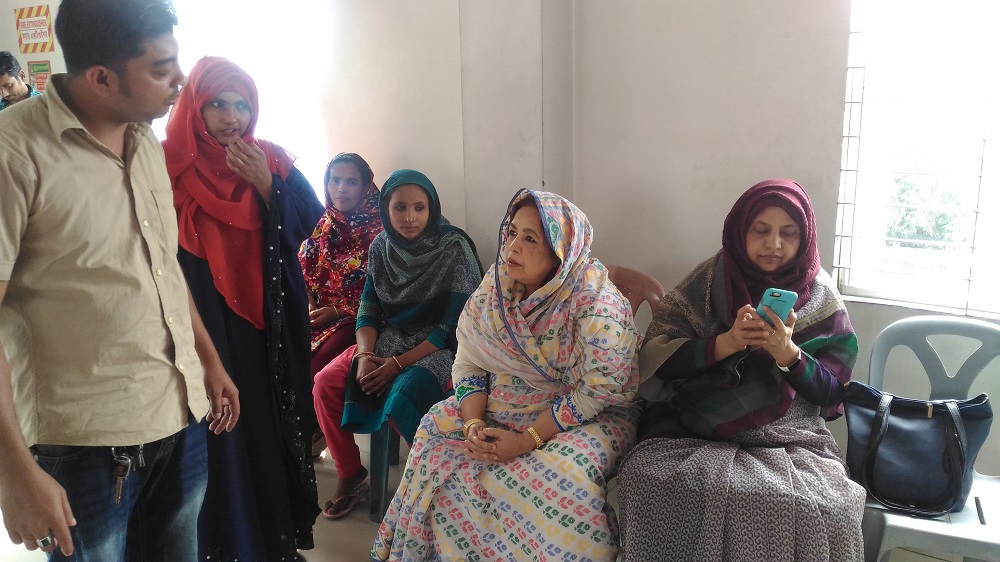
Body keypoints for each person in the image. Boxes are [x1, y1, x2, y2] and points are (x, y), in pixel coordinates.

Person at [0, 1, 240, 560]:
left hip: (178, 415)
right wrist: (12, 470)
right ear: (102, 78)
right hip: (83, 443)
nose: (181, 81)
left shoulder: (144, 139)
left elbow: (161, 265)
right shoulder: (15, 153)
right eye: (160, 68)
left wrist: (208, 361)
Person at [372, 189, 641, 561]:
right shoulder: (497, 286)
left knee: (558, 476)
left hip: (587, 415)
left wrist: (527, 440)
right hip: (506, 400)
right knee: (436, 434)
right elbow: (469, 361)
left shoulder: (595, 302)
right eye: (512, 232)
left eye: (530, 239)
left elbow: (598, 391)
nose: (512, 247)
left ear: (560, 252)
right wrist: (473, 424)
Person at [616, 179, 866, 561]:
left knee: (829, 506)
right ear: (739, 231)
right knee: (645, 479)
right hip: (692, 424)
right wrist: (726, 343)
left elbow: (832, 392)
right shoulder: (705, 282)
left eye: (788, 233)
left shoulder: (820, 296)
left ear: (805, 238)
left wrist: (788, 354)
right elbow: (657, 361)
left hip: (789, 433)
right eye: (760, 230)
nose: (773, 244)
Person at [161, 56, 324, 561]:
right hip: (201, 322)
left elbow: (314, 223)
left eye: (241, 105)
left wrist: (267, 188)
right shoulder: (166, 165)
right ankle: (226, 544)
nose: (232, 117)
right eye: (217, 104)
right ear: (195, 107)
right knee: (215, 429)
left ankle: (273, 540)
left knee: (264, 423)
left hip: (266, 327)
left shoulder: (268, 158)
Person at [312, 169, 483, 520]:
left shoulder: (454, 248)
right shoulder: (381, 246)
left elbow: (454, 327)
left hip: (439, 346)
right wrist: (365, 356)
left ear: (432, 208)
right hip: (392, 337)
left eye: (419, 208)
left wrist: (399, 364)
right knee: (325, 382)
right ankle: (350, 473)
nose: (410, 217)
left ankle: (426, 485)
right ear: (385, 209)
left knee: (406, 391)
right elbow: (368, 308)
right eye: (400, 207)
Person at [299, 153, 383, 456]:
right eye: (334, 180)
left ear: (366, 187)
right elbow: (303, 274)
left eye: (351, 182)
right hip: (318, 317)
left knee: (315, 361)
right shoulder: (321, 225)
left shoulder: (380, 232)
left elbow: (384, 294)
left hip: (359, 320)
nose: (341, 189)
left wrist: (337, 311)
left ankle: (314, 431)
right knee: (281, 351)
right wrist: (309, 305)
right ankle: (296, 432)